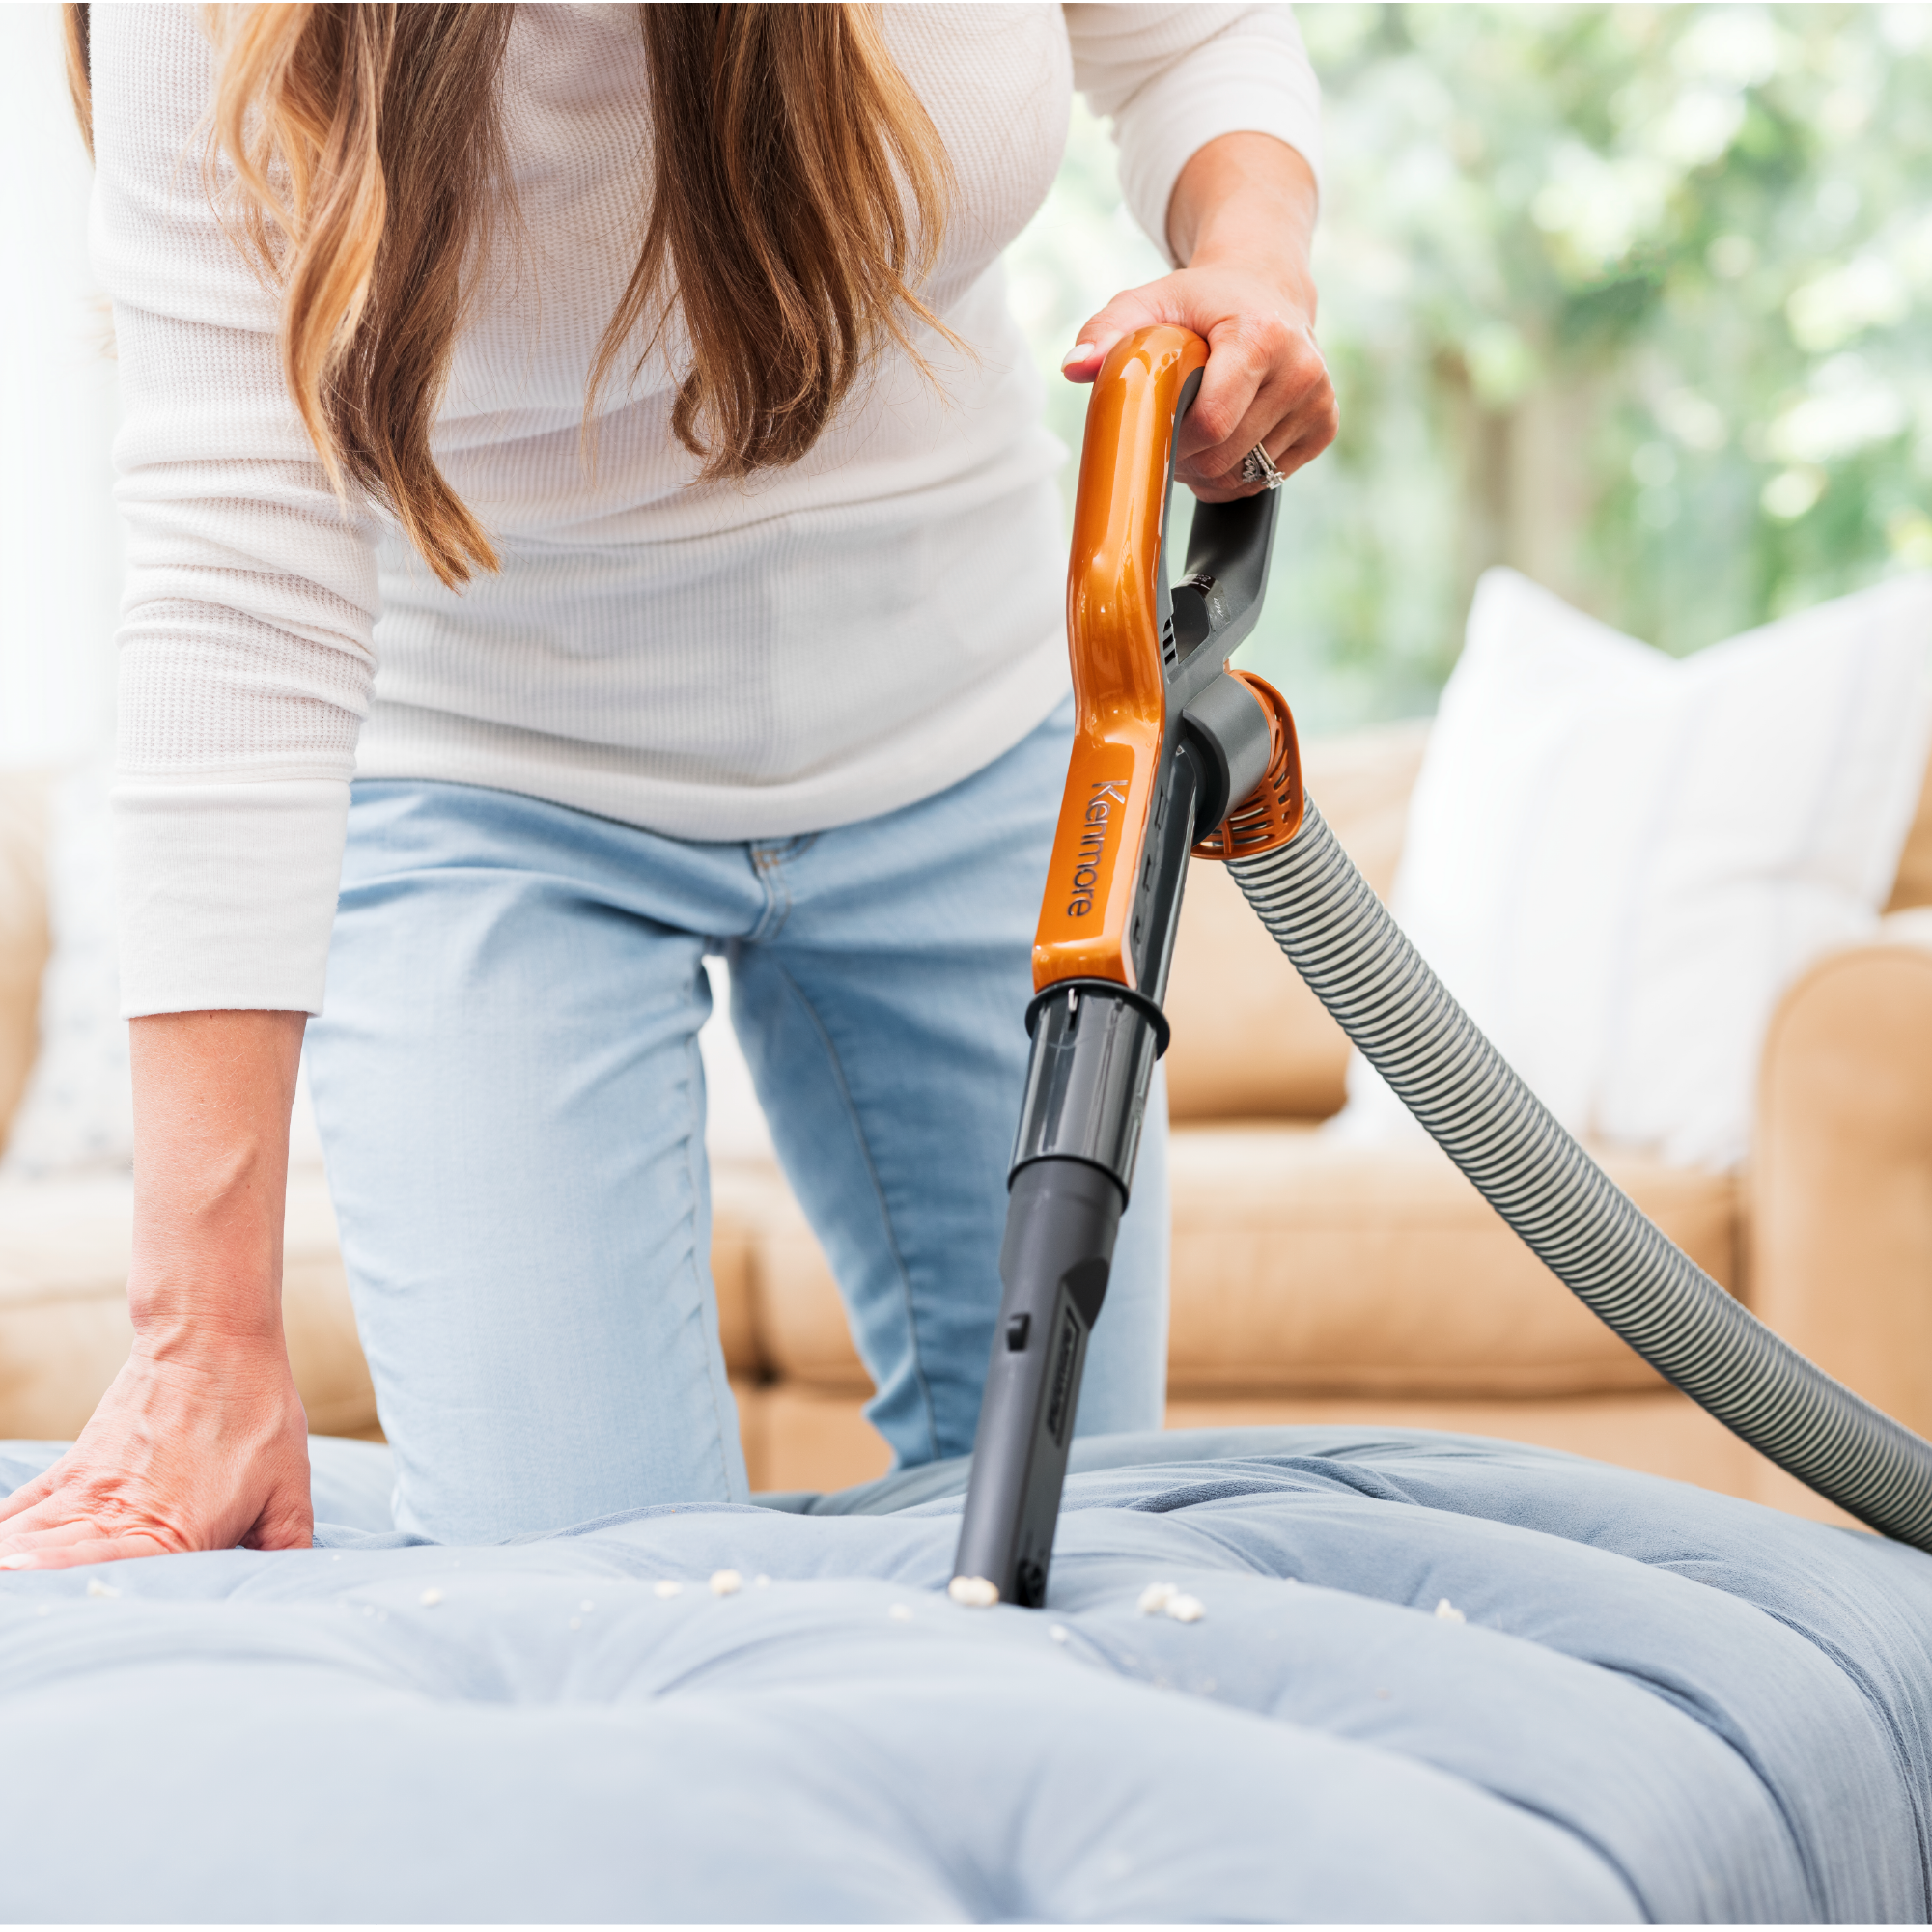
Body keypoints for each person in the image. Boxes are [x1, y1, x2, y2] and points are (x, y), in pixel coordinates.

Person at [0, 2, 1335, 1568]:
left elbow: (1193, 36)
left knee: (1073, 1543)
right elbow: (237, 552)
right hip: (484, 786)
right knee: (587, 1601)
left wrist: (1253, 265)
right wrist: (196, 1338)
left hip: (969, 726)